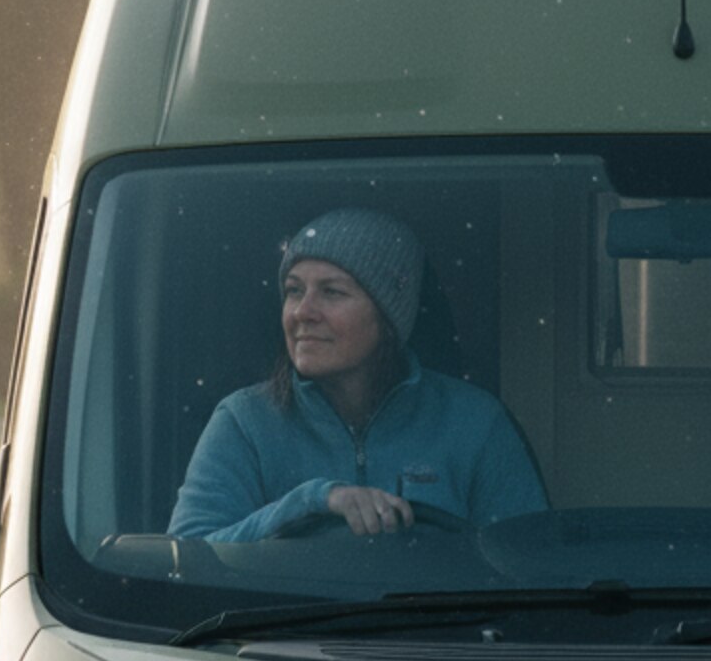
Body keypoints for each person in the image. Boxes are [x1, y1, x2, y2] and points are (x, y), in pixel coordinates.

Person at [168, 208, 548, 541]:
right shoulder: (244, 421)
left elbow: (529, 564)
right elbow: (188, 556)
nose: (303, 311)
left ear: (388, 317)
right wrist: (312, 502)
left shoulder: (475, 424)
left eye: (332, 292)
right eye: (294, 290)